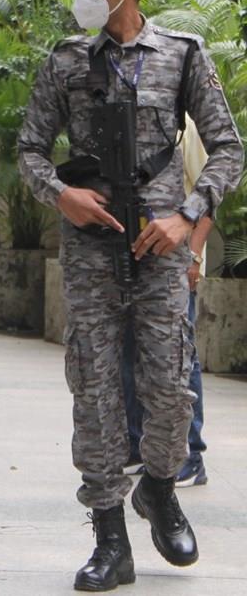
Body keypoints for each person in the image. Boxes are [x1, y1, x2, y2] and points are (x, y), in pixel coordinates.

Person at [17, 0, 243, 592]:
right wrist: (62, 194)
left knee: (170, 386)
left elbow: (228, 148)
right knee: (94, 388)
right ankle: (109, 537)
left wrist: (187, 215)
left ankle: (161, 489)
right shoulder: (65, 60)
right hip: (90, 248)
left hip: (160, 248)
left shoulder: (182, 54)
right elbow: (30, 149)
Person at [122, 116, 212, 488]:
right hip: (134, 260)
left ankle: (190, 456)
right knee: (130, 353)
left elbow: (208, 196)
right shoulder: (125, 116)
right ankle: (138, 447)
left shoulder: (184, 126)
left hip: (176, 262)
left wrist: (194, 256)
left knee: (178, 356)